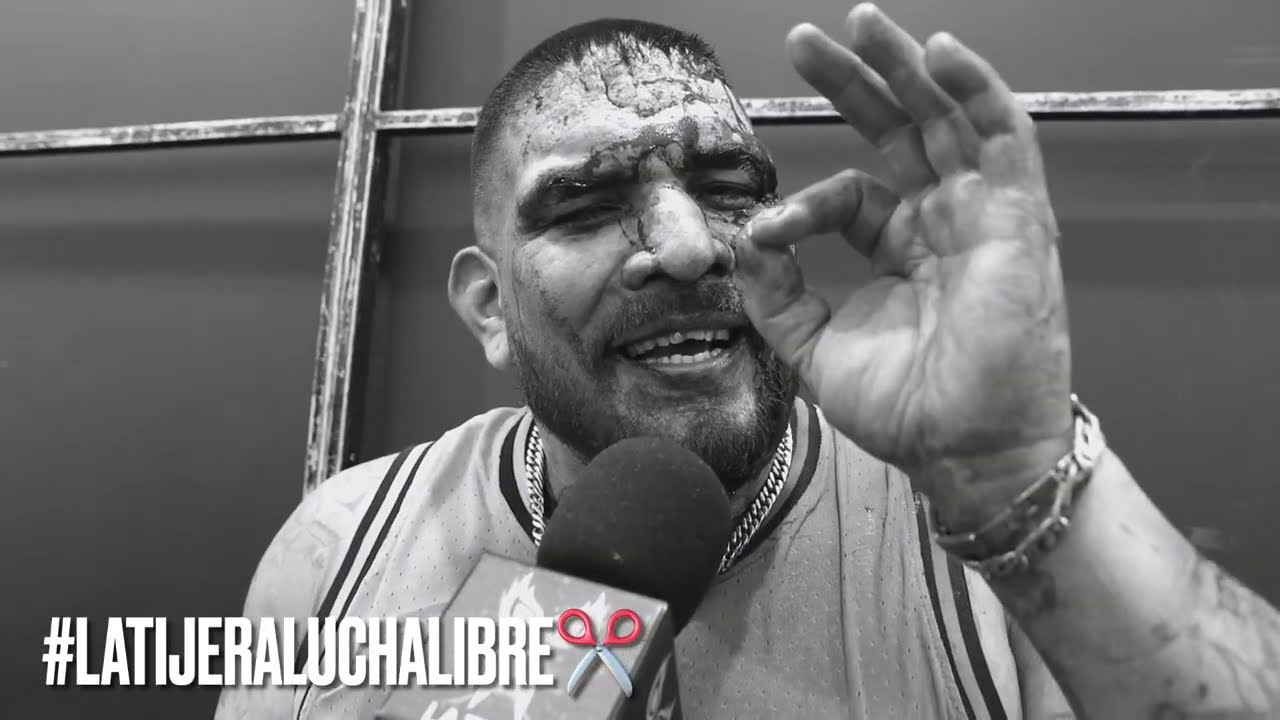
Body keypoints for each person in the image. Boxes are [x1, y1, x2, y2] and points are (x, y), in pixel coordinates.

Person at [217, 5, 1280, 719]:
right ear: (490, 308)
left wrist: (1017, 472)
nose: (689, 247)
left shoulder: (985, 550)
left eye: (727, 187)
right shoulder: (343, 550)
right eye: (584, 205)